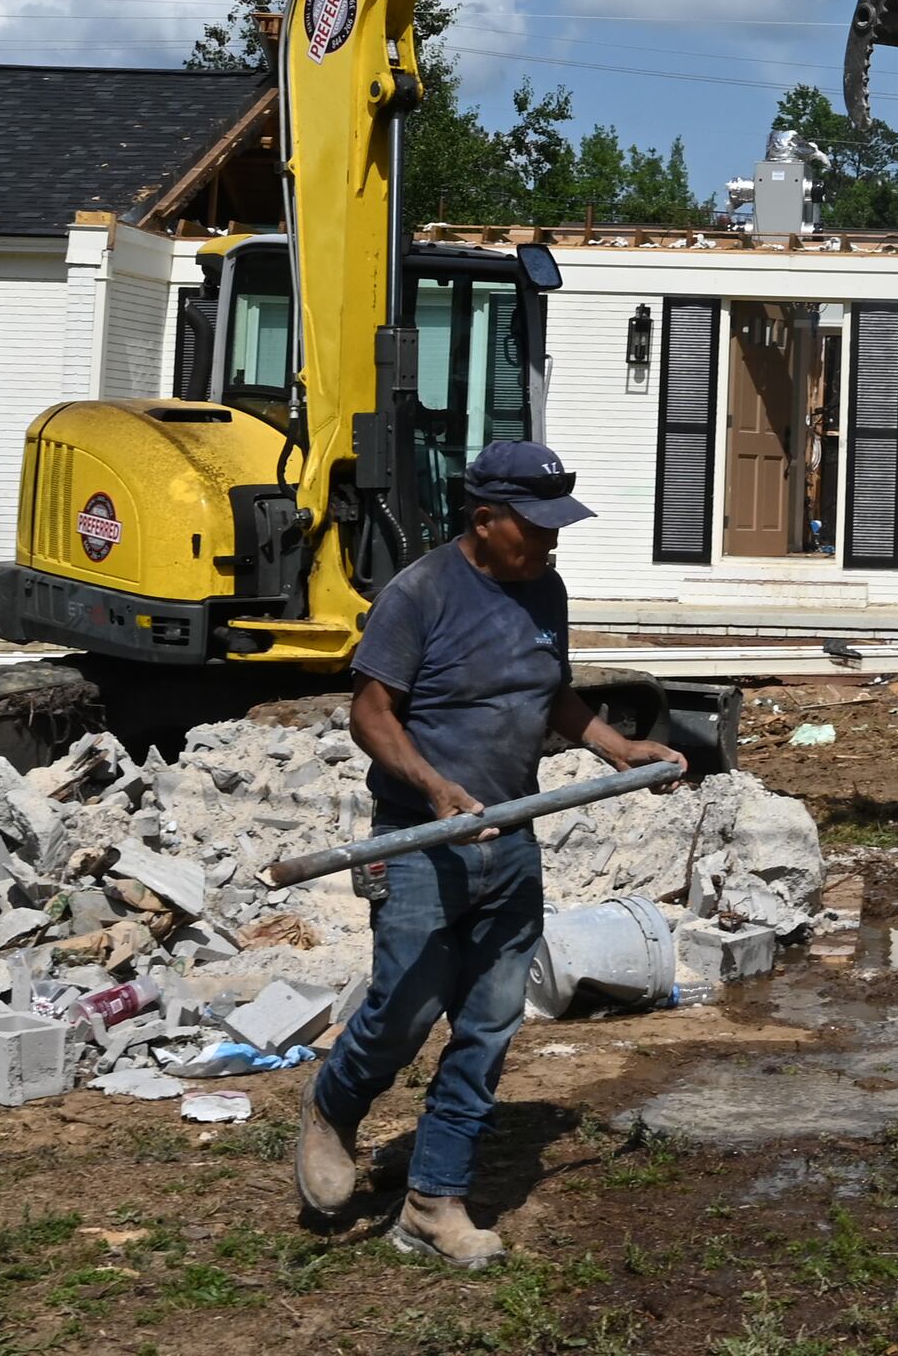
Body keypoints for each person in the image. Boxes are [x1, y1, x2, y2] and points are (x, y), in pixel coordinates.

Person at [294, 439, 687, 1263]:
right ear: (485, 517)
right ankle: (333, 1106)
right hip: (421, 845)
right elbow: (370, 713)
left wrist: (616, 746)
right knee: (404, 1012)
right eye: (535, 526)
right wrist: (437, 790)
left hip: (511, 840)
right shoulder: (421, 593)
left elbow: (549, 694)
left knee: (489, 1023)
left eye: (555, 526)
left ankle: (434, 1201)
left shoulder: (545, 588)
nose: (550, 541)